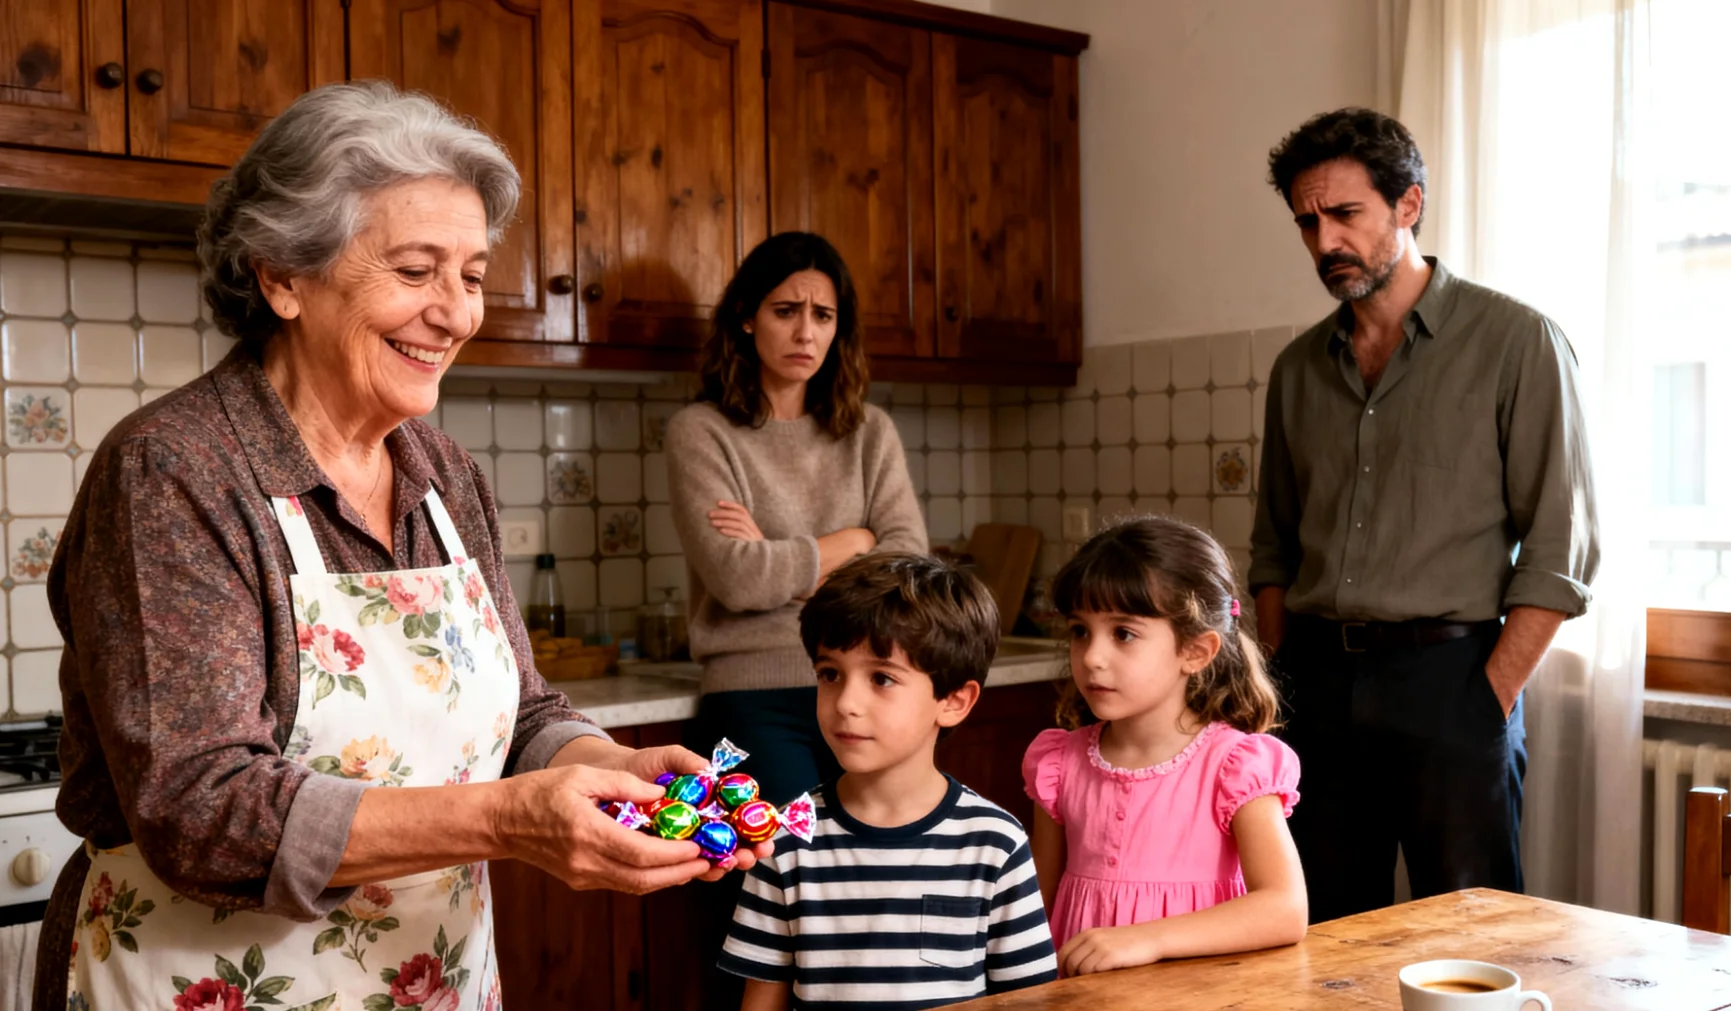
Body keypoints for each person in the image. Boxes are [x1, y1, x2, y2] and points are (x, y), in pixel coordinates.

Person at [38, 82, 768, 1011]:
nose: (458, 314)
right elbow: (200, 809)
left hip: (435, 980)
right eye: (418, 271)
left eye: (472, 276)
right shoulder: (173, 472)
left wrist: (601, 765)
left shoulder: (446, 476)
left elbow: (524, 710)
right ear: (283, 276)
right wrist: (509, 819)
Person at [1253, 108, 1601, 923]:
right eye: (1307, 221)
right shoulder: (1297, 369)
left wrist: (1489, 697)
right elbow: (1274, 545)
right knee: (1322, 936)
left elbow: (1562, 547)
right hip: (1316, 686)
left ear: (1408, 204)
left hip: (1453, 679)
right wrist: (1279, 678)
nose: (1325, 241)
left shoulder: (1518, 342)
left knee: (1473, 935)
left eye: (1346, 213)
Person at [719, 553, 1058, 1009]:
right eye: (830, 674)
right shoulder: (781, 837)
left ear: (954, 701)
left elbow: (1029, 1002)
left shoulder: (995, 843)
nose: (846, 703)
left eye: (881, 678)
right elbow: (762, 1001)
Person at [667, 231, 927, 809]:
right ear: (746, 316)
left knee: (877, 861)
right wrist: (856, 541)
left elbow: (909, 566)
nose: (806, 332)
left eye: (823, 315)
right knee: (793, 860)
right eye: (786, 311)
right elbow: (738, 579)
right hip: (753, 696)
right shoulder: (701, 432)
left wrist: (778, 559)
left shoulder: (870, 432)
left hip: (872, 688)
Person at [1023, 518, 1307, 977]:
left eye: (1123, 633)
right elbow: (1035, 907)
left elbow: (1285, 909)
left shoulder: (1235, 767)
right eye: (1080, 631)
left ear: (1195, 651)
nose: (1092, 656)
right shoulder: (1059, 764)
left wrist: (1148, 938)